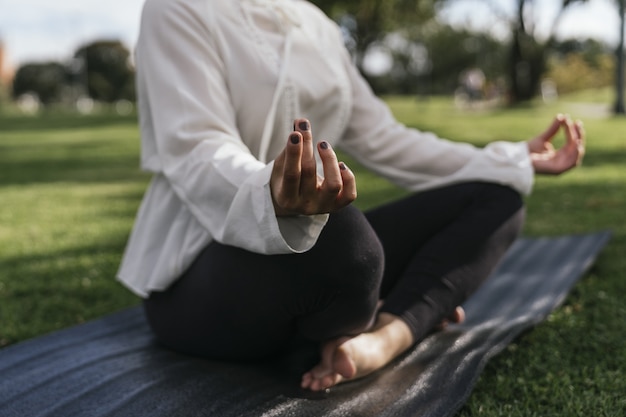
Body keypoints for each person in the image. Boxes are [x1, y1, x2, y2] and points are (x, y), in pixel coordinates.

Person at [117, 0, 585, 392]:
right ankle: (377, 307)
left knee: (495, 198)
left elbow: (384, 137)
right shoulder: (177, 8)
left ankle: (389, 335)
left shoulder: (318, 26)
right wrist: (272, 195)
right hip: (202, 276)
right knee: (345, 240)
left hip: (312, 264)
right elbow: (195, 144)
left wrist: (509, 160)